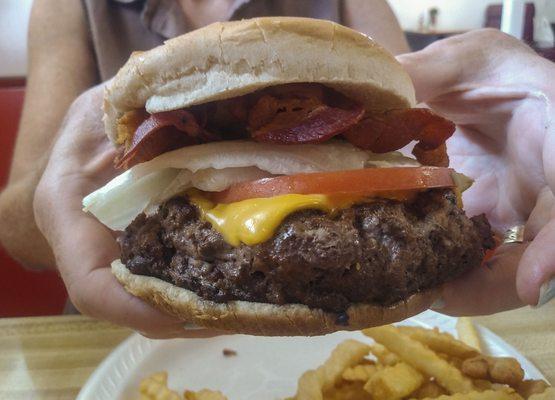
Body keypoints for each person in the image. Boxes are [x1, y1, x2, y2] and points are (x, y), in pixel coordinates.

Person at [1, 5, 554, 339]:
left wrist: (508, 133)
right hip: (93, 338)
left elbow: (412, 103)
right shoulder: (67, 6)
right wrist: (54, 194)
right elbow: (15, 231)